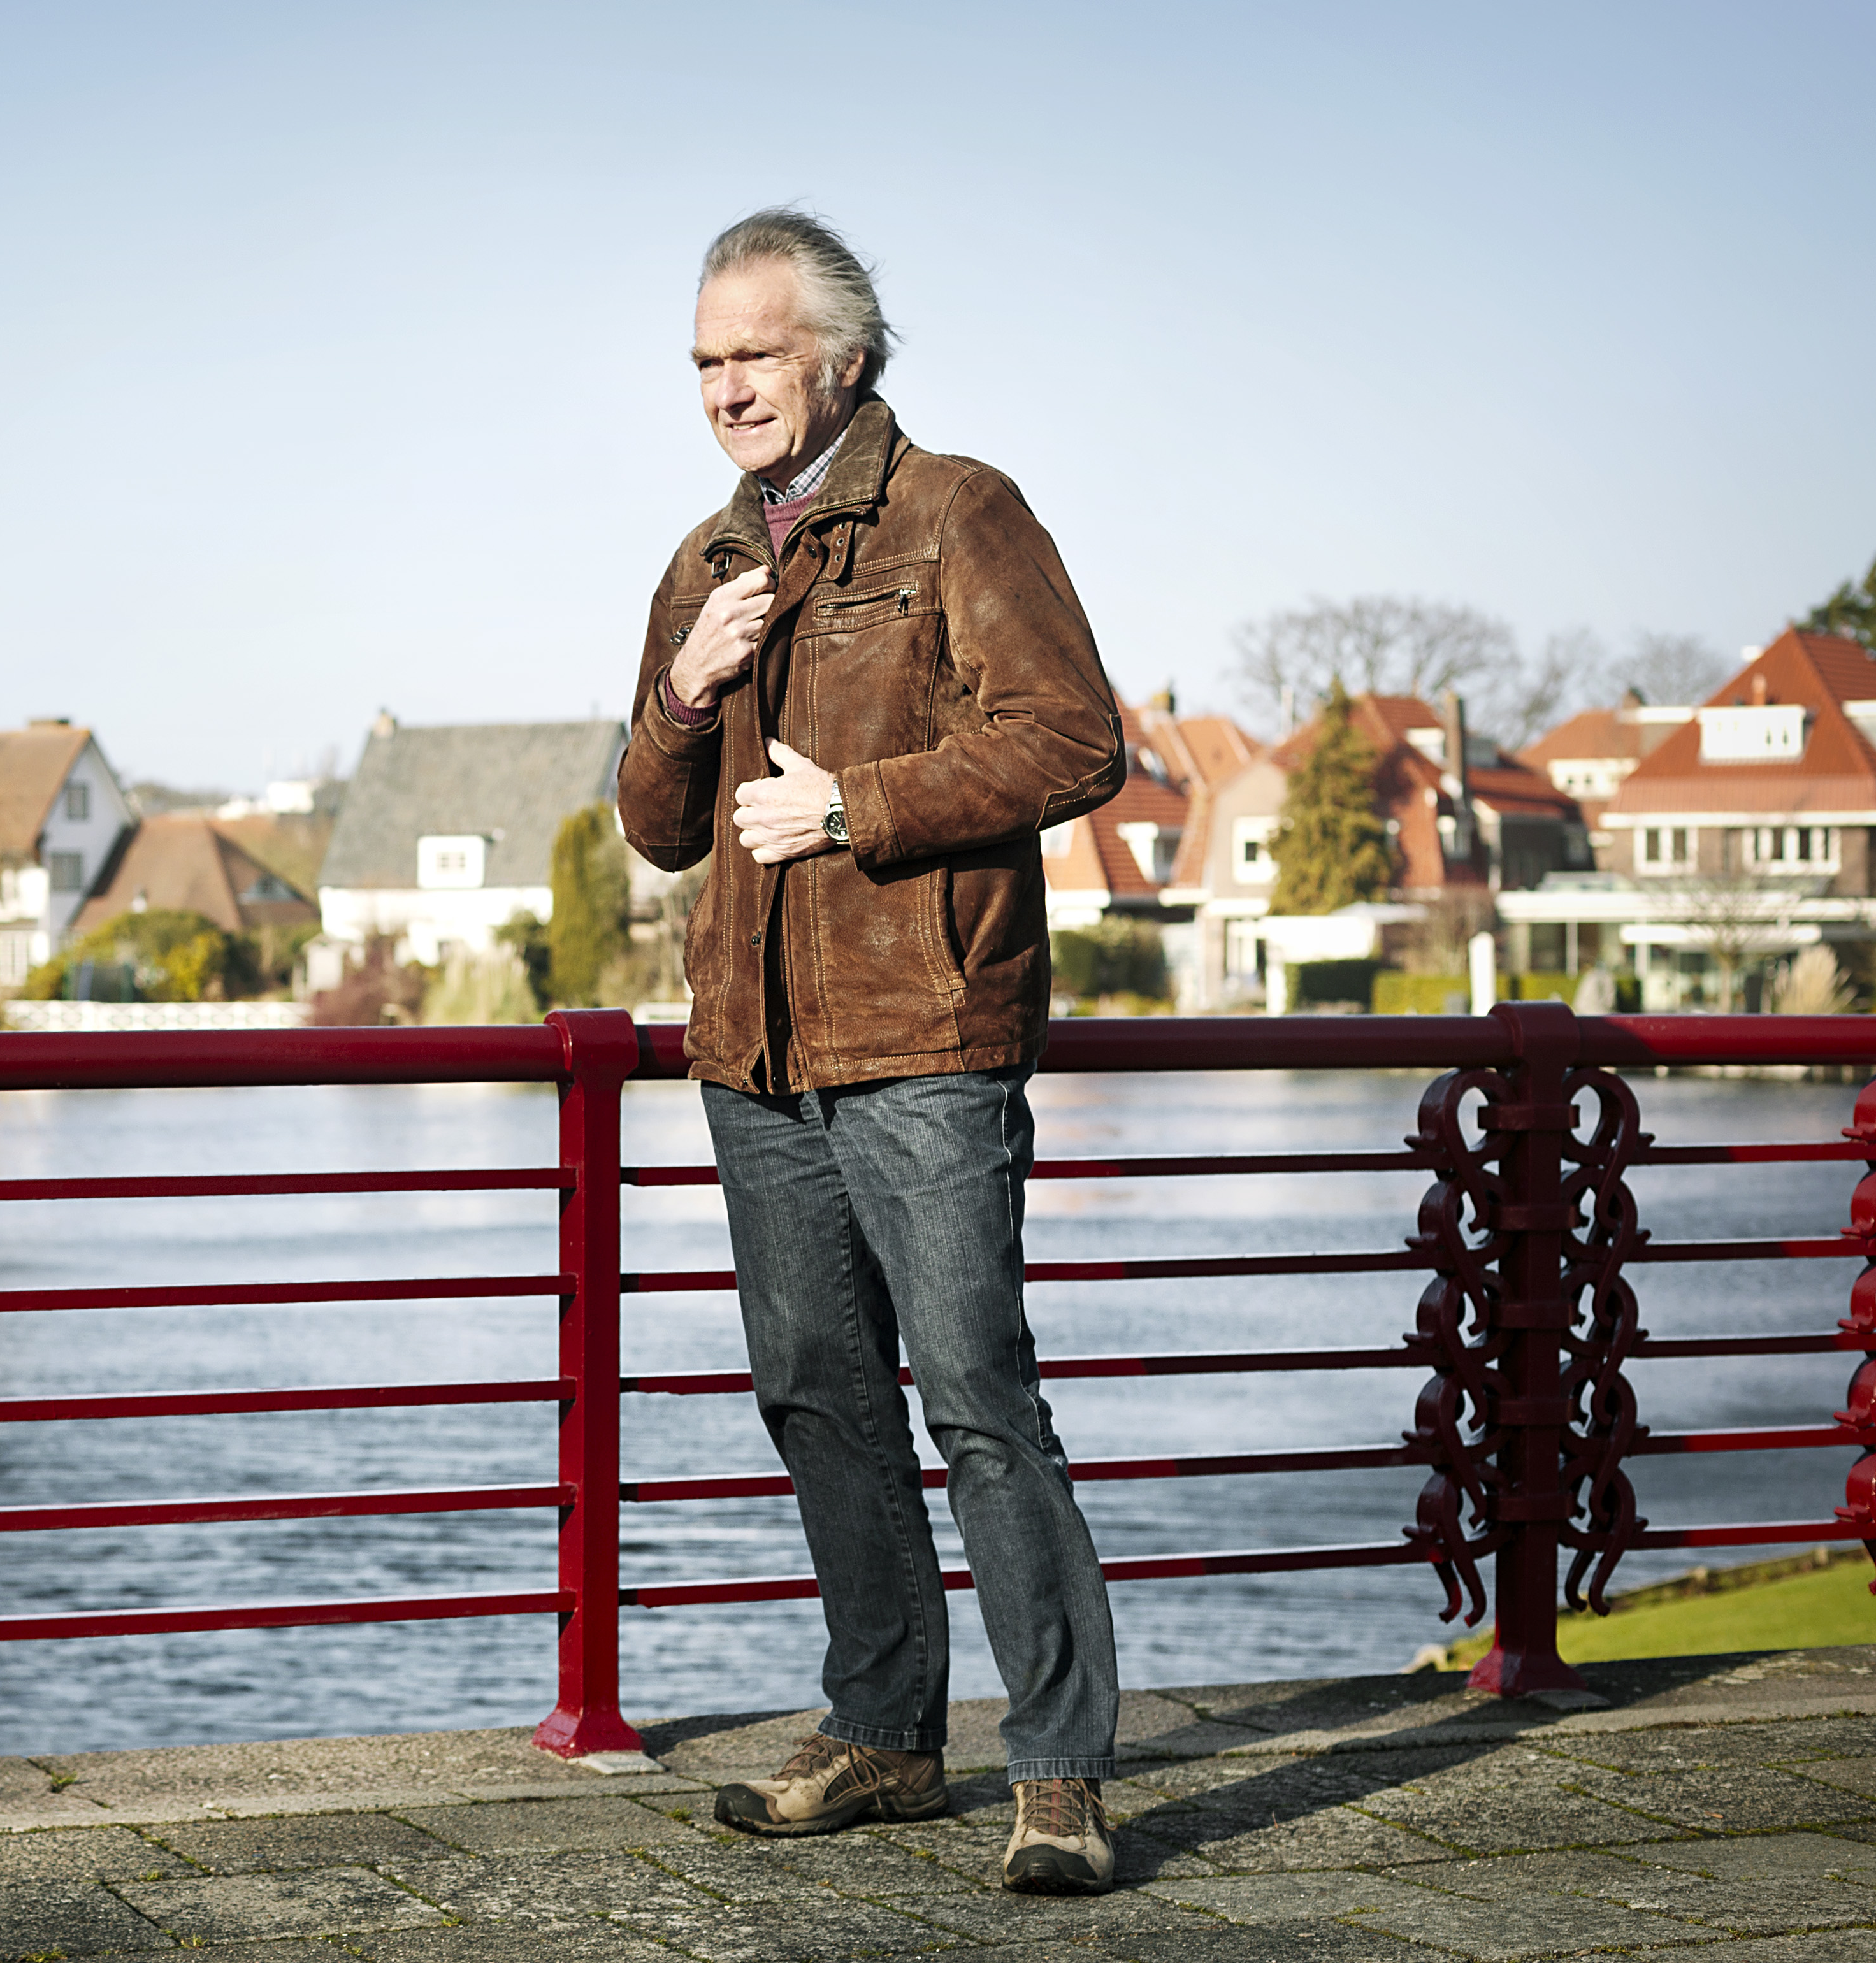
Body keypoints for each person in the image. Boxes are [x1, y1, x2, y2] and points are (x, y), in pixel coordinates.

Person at [614, 209, 1127, 1895]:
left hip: (924, 1030)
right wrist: (686, 694)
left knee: (978, 1391)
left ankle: (1058, 1773)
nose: (722, 387)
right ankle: (887, 1732)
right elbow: (656, 823)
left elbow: (1074, 739)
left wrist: (861, 805)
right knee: (818, 1391)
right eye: (702, 359)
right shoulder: (704, 562)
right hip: (753, 1052)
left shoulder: (957, 510)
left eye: (750, 352)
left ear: (840, 353)